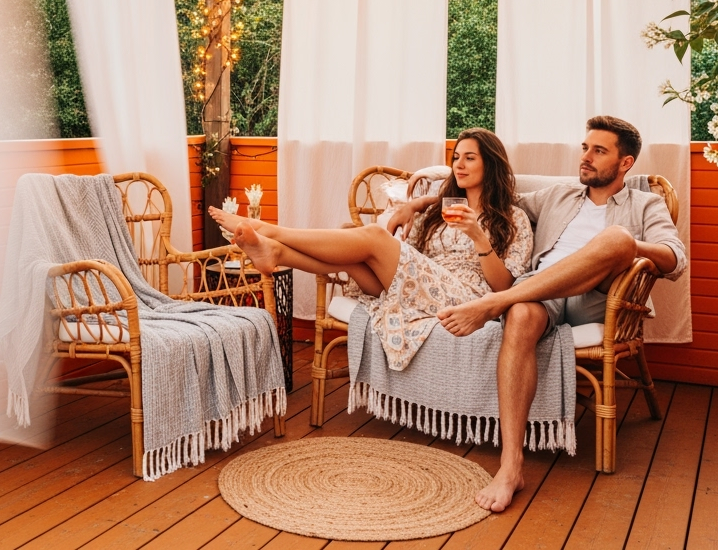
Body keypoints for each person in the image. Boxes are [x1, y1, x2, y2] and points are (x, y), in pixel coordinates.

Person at [391, 115, 686, 513]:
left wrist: (629, 247)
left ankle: (494, 303)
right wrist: (418, 202)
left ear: (625, 163)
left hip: (597, 297)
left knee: (615, 238)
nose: (586, 157)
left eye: (599, 151)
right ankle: (511, 466)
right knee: (522, 314)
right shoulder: (558, 196)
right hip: (541, 290)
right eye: (585, 148)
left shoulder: (644, 203)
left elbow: (675, 259)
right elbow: (489, 194)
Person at [209, 128, 534, 370]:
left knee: (376, 237)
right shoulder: (437, 212)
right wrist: (416, 207)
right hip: (421, 283)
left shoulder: (513, 218)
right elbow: (412, 255)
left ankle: (274, 232)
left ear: (490, 164)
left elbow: (505, 287)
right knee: (354, 250)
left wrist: (479, 238)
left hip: (467, 296)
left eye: (470, 158)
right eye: (456, 158)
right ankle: (277, 253)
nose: (459, 165)